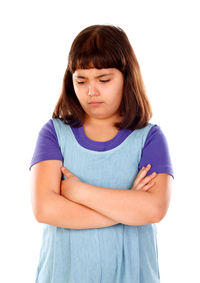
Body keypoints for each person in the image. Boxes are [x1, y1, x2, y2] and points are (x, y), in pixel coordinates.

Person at [29, 24, 174, 283]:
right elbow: (45, 208)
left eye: (104, 80)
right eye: (81, 81)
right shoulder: (54, 134)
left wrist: (78, 192)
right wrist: (126, 209)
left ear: (126, 77)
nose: (91, 91)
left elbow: (153, 208)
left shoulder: (149, 138)